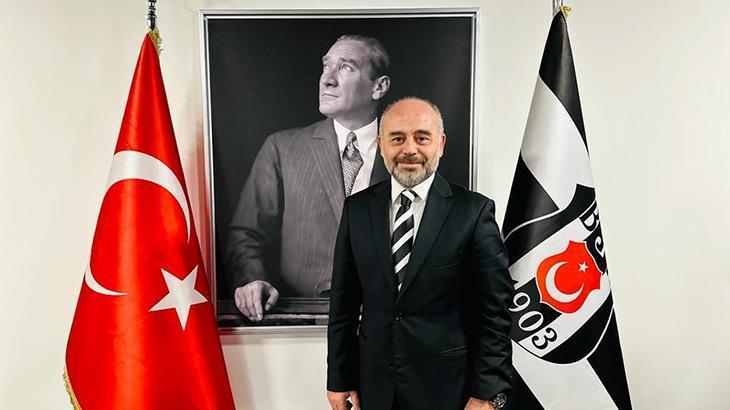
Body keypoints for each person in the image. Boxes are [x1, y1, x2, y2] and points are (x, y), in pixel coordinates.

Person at [326, 98, 513, 410]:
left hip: (450, 391)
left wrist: (487, 393)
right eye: (397, 138)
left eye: (422, 138)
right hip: (375, 388)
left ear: (440, 144)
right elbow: (343, 305)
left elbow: (495, 312)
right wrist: (338, 378)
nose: (409, 149)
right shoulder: (356, 210)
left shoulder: (473, 212)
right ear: (381, 145)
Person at [226, 35, 392, 322]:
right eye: (326, 66)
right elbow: (245, 235)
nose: (327, 79)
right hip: (300, 325)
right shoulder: (282, 148)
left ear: (379, 87)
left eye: (346, 67)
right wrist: (252, 280)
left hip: (387, 325)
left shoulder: (408, 153)